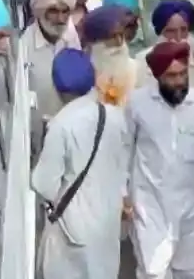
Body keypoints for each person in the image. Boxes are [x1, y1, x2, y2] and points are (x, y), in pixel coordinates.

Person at [126, 40, 194, 279]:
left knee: (190, 272)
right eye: (171, 76)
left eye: (182, 74)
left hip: (193, 209)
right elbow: (123, 150)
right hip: (149, 207)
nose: (179, 81)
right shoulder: (137, 104)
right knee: (153, 272)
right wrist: (122, 194)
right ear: (157, 77)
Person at [31, 49, 128, 279]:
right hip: (107, 227)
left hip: (72, 235)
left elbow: (45, 185)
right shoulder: (116, 117)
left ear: (57, 86)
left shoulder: (61, 124)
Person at [23, 0, 83, 120]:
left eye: (65, 12)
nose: (61, 19)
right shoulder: (24, 44)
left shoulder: (70, 34)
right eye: (54, 11)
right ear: (41, 11)